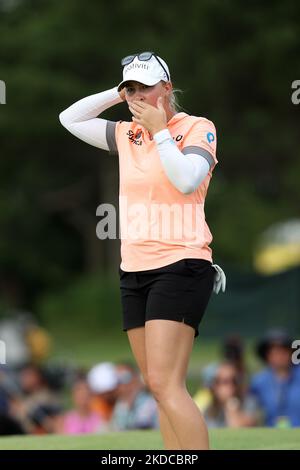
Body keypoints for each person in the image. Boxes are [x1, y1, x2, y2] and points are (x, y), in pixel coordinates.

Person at [59, 51, 226, 450]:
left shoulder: (197, 127)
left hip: (181, 263)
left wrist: (161, 131)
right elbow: (70, 118)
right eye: (130, 88)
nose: (137, 96)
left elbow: (187, 180)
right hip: (134, 269)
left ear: (166, 89)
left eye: (144, 88)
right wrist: (119, 96)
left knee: (167, 386)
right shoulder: (127, 133)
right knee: (158, 386)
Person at [250, 329, 300, 427]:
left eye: (284, 352)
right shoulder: (259, 382)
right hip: (271, 434)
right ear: (267, 356)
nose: (280, 356)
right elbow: (251, 410)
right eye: (275, 352)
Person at [201, 361, 261, 428]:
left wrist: (231, 405)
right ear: (214, 386)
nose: (231, 386)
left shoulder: (249, 403)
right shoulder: (208, 409)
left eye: (234, 381)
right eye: (225, 382)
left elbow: (237, 429)